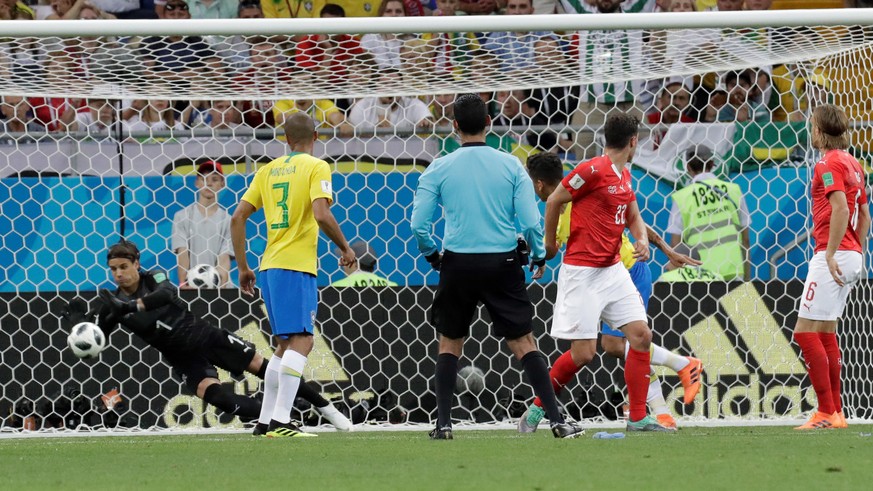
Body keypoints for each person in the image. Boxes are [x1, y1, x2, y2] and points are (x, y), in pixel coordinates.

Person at [411, 94, 583, 440]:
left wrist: (432, 255)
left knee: (449, 343)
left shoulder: (439, 167)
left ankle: (443, 425)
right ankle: (556, 421)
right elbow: (533, 222)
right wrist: (537, 255)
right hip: (502, 261)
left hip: (457, 262)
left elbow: (418, 225)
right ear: (489, 123)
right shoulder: (510, 166)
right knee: (523, 342)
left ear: (454, 126)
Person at [59, 240, 353, 432]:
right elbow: (96, 337)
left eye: (124, 267)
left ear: (136, 264)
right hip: (182, 357)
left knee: (266, 369)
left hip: (205, 336)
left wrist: (132, 305)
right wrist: (77, 325)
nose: (118, 274)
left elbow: (167, 294)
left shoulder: (154, 277)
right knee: (219, 399)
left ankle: (326, 408)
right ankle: (280, 420)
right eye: (113, 269)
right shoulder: (112, 305)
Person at [519, 152, 703, 432]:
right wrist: (541, 255)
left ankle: (658, 408)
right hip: (595, 275)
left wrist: (666, 249)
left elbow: (633, 219)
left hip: (628, 270)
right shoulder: (568, 203)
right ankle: (677, 376)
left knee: (632, 340)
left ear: (540, 184)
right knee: (607, 348)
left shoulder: (581, 190)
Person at [542, 113, 672, 432]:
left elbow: (633, 214)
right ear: (633, 142)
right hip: (582, 272)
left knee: (641, 335)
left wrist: (641, 239)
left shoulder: (624, 176)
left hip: (612, 270)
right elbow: (554, 200)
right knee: (584, 354)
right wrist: (549, 247)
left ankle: (639, 417)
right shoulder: (591, 170)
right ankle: (538, 408)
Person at [231, 113, 357, 438]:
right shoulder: (317, 167)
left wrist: (243, 267)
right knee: (303, 340)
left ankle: (265, 420)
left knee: (284, 345)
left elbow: (238, 217)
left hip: (269, 265)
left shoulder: (267, 170)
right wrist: (345, 247)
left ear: (284, 140)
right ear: (316, 136)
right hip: (296, 265)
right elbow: (320, 212)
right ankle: (282, 422)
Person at [793, 104, 869, 430]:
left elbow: (840, 208)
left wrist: (831, 253)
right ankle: (836, 412)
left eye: (812, 127)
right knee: (825, 332)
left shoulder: (827, 163)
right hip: (853, 255)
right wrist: (856, 249)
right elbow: (863, 214)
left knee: (804, 332)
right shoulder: (854, 162)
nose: (811, 132)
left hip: (832, 255)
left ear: (820, 131)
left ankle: (825, 411)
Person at [667, 146, 751, 281]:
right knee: (746, 303)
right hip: (733, 271)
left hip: (700, 276)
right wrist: (747, 279)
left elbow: (675, 246)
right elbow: (745, 240)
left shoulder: (682, 197)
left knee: (707, 303)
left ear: (688, 167)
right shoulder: (733, 190)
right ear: (712, 164)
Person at [172, 161, 233, 288]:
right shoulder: (182, 216)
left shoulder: (228, 220)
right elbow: (182, 253)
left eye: (214, 179)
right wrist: (184, 283)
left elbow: (224, 258)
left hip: (220, 287)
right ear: (197, 183)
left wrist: (219, 286)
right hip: (192, 287)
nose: (209, 183)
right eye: (204, 179)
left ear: (222, 184)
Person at [331, 242, 398, 287]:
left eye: (345, 260)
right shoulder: (392, 286)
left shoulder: (337, 287)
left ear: (354, 264)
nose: (343, 265)